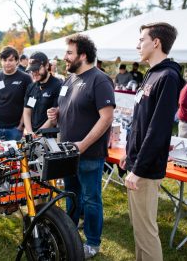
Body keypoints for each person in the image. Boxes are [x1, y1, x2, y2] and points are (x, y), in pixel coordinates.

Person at [119, 22, 184, 261]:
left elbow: (158, 129)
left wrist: (138, 168)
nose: (137, 45)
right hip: (137, 161)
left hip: (145, 168)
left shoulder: (167, 76)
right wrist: (129, 151)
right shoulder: (151, 74)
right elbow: (141, 120)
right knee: (139, 230)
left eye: (141, 40)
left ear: (156, 42)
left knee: (147, 232)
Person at [47, 34, 115, 259]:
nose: (65, 57)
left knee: (90, 198)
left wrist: (83, 145)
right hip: (67, 153)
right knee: (70, 194)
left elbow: (106, 118)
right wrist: (55, 114)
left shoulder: (100, 80)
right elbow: (67, 109)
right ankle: (69, 232)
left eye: (69, 53)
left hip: (89, 154)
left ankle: (93, 243)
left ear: (83, 55)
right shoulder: (69, 80)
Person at [0, 46, 32, 141]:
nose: (7, 63)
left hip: (15, 129)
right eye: (4, 60)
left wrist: (21, 125)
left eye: (10, 60)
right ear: (0, 61)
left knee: (14, 155)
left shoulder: (26, 78)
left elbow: (28, 104)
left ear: (17, 61)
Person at [23, 52, 62, 134]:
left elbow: (53, 116)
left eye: (37, 69)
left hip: (49, 137)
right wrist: (30, 132)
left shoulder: (58, 85)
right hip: (33, 135)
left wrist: (38, 134)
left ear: (47, 65)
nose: (34, 73)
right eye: (32, 70)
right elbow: (27, 111)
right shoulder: (32, 87)